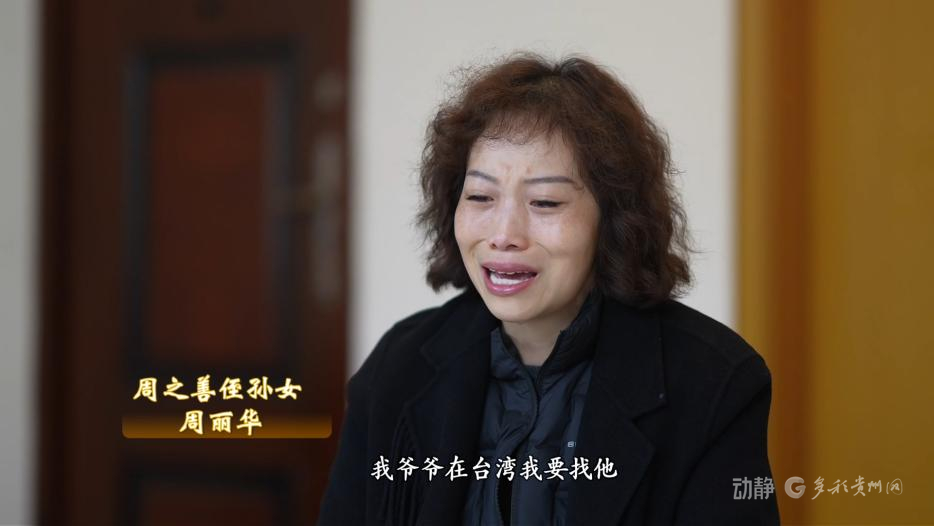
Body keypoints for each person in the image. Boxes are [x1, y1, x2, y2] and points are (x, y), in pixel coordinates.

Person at [318, 52, 779, 525]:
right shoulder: (399, 367)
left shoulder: (711, 382)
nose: (504, 234)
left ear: (614, 219)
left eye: (545, 202)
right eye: (480, 196)